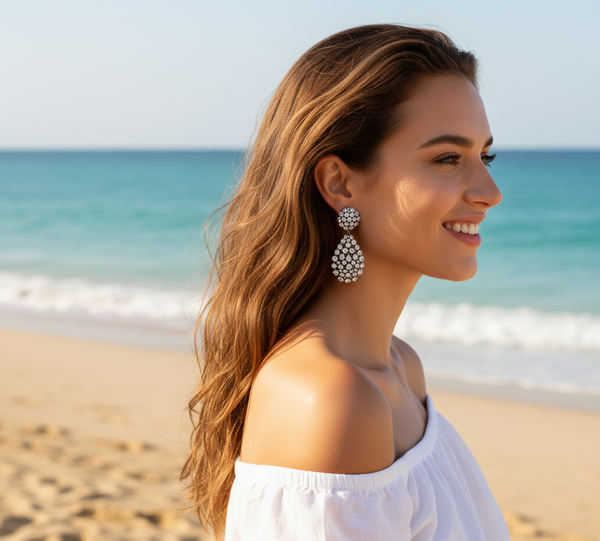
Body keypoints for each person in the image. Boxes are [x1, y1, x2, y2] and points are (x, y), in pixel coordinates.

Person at [182, 24, 510, 541]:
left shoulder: (401, 368)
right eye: (448, 158)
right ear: (340, 182)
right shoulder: (331, 400)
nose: (490, 191)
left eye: (484, 156)